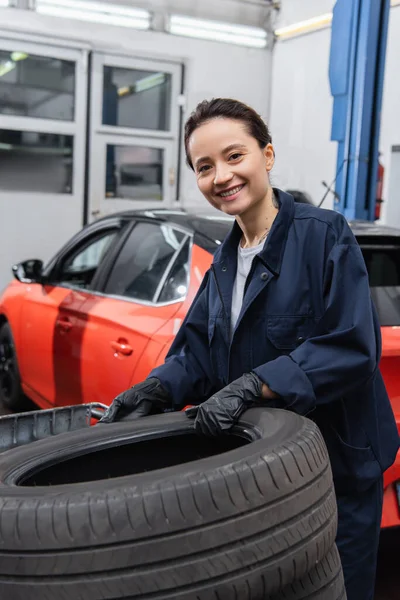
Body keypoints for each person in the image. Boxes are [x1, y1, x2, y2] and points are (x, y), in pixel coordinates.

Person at [100, 98, 399, 600]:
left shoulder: (323, 236)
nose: (221, 175)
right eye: (204, 166)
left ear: (267, 155)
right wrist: (154, 388)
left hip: (334, 473)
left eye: (234, 156)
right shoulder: (223, 260)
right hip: (261, 471)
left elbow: (350, 345)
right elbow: (196, 353)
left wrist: (256, 384)